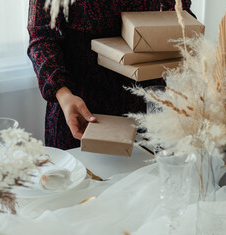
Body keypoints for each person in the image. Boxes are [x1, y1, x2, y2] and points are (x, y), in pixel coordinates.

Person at [27, 0, 194, 150]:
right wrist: (63, 94)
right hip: (80, 105)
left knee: (145, 180)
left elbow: (180, 16)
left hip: (144, 104)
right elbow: (41, 37)